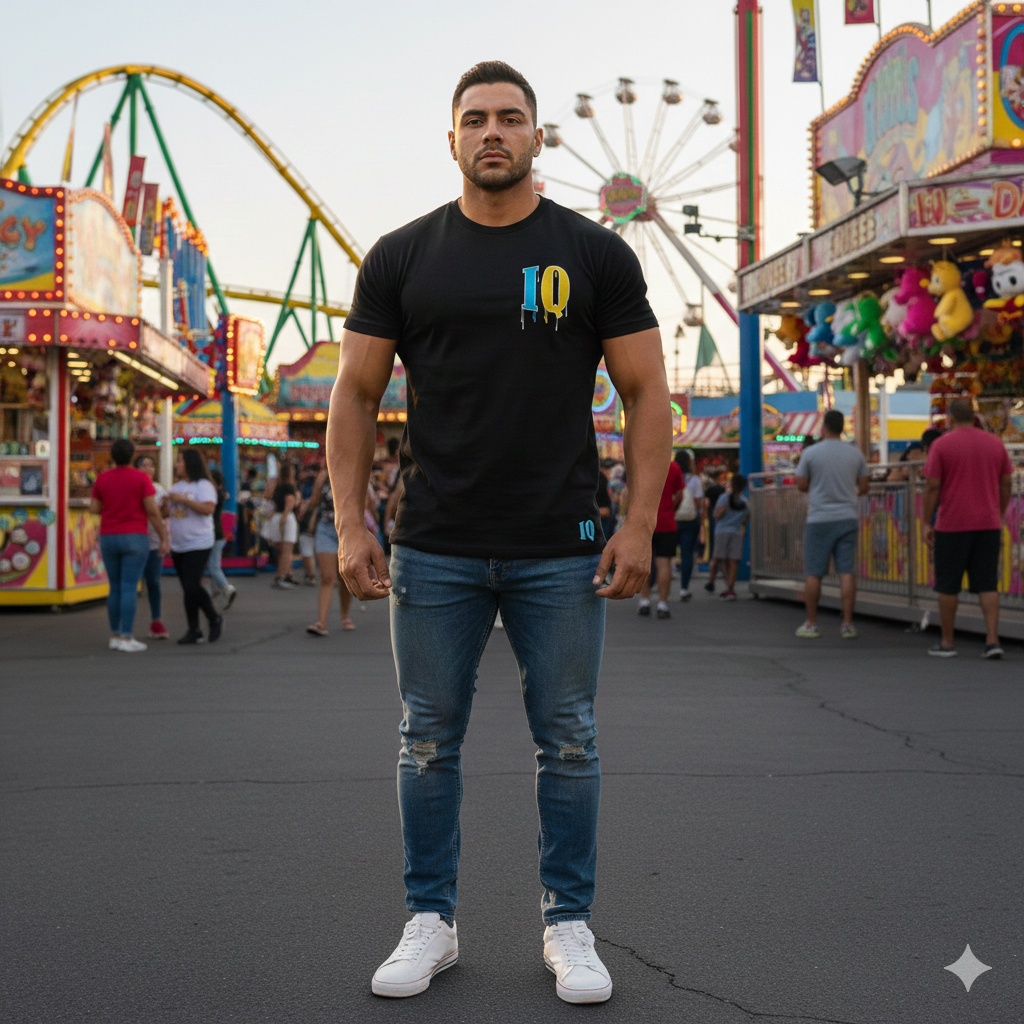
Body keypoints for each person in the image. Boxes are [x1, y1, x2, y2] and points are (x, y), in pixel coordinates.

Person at [326, 61, 669, 1005]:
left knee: (569, 740)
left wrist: (639, 524)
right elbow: (354, 393)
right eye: (474, 119)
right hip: (433, 542)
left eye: (510, 118)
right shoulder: (401, 256)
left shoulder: (596, 254)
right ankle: (429, 921)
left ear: (536, 137)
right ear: (450, 140)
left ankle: (569, 924)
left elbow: (647, 393)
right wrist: (351, 521)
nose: (492, 132)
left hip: (561, 542)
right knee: (426, 741)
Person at [923, 396, 1013, 658]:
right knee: (987, 584)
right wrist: (999, 512)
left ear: (950, 418)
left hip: (951, 524)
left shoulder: (941, 445)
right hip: (988, 524)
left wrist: (926, 521)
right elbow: (1007, 482)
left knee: (948, 585)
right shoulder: (995, 443)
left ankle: (947, 642)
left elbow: (932, 486)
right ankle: (992, 641)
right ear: (974, 416)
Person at [793, 409, 869, 638]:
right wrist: (848, 492)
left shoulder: (810, 453)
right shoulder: (855, 454)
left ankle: (811, 624)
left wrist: (818, 488)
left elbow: (801, 484)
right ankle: (847, 624)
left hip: (819, 519)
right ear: (843, 428)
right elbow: (864, 487)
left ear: (824, 427)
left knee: (814, 573)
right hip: (847, 517)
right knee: (846, 571)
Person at [90, 439, 169, 652]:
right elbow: (153, 511)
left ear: (112, 456)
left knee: (115, 586)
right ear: (133, 456)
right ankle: (127, 636)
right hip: (135, 536)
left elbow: (94, 508)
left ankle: (115, 635)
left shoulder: (102, 478)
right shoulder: (141, 478)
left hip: (109, 536)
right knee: (128, 586)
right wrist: (163, 537)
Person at [168, 448, 223, 644]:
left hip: (199, 542)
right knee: (187, 588)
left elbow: (208, 509)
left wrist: (184, 500)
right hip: (178, 543)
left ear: (190, 463)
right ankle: (194, 629)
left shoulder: (203, 485)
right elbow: (168, 512)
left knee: (192, 584)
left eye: (180, 461)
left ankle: (214, 617)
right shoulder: (176, 486)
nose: (177, 465)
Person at [305, 466, 356, 636]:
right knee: (327, 577)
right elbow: (314, 502)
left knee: (344, 577)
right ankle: (321, 623)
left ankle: (345, 615)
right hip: (326, 528)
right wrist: (317, 486)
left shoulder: (352, 471)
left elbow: (364, 502)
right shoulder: (324, 476)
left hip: (347, 530)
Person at [638, 457, 683, 618]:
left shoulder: (641, 465)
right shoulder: (674, 467)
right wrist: (671, 509)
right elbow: (680, 495)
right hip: (667, 521)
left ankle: (644, 600)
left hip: (645, 522)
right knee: (664, 564)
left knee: (645, 562)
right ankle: (662, 603)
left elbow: (633, 495)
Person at [134, 453, 171, 639]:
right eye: (144, 464)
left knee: (154, 582)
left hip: (154, 542)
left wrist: (165, 507)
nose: (148, 468)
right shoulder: (133, 487)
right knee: (131, 583)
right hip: (135, 540)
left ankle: (157, 620)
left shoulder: (159, 489)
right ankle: (125, 626)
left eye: (151, 465)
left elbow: (163, 515)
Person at [672, 450, 704, 601]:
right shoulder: (695, 480)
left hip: (673, 519)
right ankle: (684, 588)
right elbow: (698, 503)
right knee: (687, 554)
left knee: (665, 554)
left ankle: (658, 583)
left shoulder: (671, 476)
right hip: (690, 520)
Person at [712, 473, 749, 600]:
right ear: (744, 487)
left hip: (721, 531)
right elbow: (745, 518)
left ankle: (727, 586)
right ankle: (731, 588)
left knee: (724, 560)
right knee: (734, 561)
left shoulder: (723, 498)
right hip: (736, 532)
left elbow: (717, 516)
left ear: (732, 485)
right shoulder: (745, 502)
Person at [205, 467, 237, 610]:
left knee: (213, 567)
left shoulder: (213, 495)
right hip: (219, 534)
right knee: (213, 564)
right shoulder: (221, 494)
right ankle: (216, 591)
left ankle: (226, 588)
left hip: (214, 534)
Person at [264, 461, 299, 589]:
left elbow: (269, 497)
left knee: (280, 550)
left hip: (276, 517)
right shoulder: (290, 487)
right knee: (287, 550)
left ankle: (287, 574)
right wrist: (285, 516)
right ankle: (282, 576)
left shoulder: (277, 487)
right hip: (286, 518)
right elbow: (290, 502)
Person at [702, 468, 727, 593]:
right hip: (722, 518)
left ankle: (712, 575)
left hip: (712, 516)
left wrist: (705, 515)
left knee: (713, 545)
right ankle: (727, 580)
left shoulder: (708, 490)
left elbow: (705, 504)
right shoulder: (722, 490)